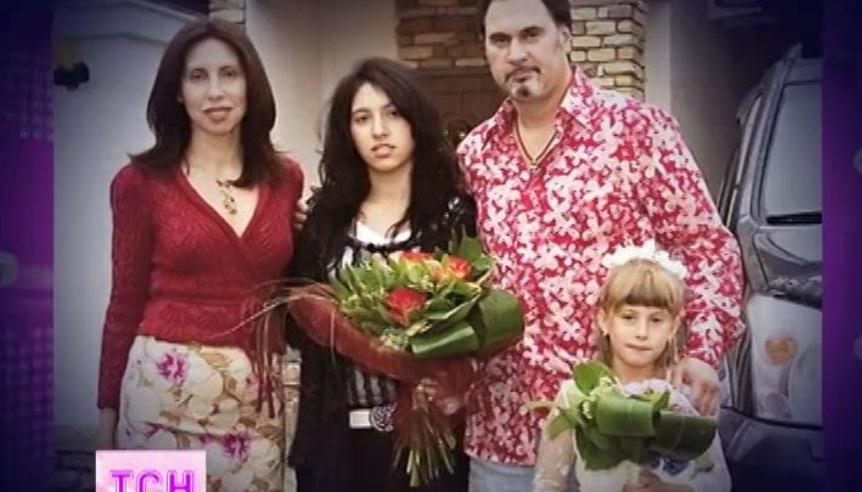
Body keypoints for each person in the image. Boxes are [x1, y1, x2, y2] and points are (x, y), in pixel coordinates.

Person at [456, 0, 745, 490]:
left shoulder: (636, 130)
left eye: (531, 34)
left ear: (566, 37)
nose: (516, 53)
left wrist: (701, 350)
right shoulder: (476, 154)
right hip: (508, 430)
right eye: (500, 40)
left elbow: (707, 248)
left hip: (625, 429)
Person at [95, 18, 304, 491]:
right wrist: (106, 420)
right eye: (197, 76)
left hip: (257, 409)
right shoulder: (139, 184)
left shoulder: (285, 179)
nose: (215, 92)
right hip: (160, 404)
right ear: (177, 91)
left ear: (250, 84)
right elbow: (123, 304)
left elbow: (286, 287)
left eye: (229, 74)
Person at [287, 57, 474, 492]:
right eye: (362, 118)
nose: (379, 130)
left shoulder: (454, 218)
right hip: (338, 445)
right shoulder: (324, 221)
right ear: (347, 132)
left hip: (431, 442)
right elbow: (296, 324)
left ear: (416, 122)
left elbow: (475, 331)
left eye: (393, 114)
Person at [532, 244, 732, 492]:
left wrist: (671, 490)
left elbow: (719, 482)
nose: (642, 332)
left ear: (672, 327)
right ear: (604, 320)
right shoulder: (577, 395)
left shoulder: (687, 393)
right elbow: (548, 483)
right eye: (628, 317)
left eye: (656, 320)